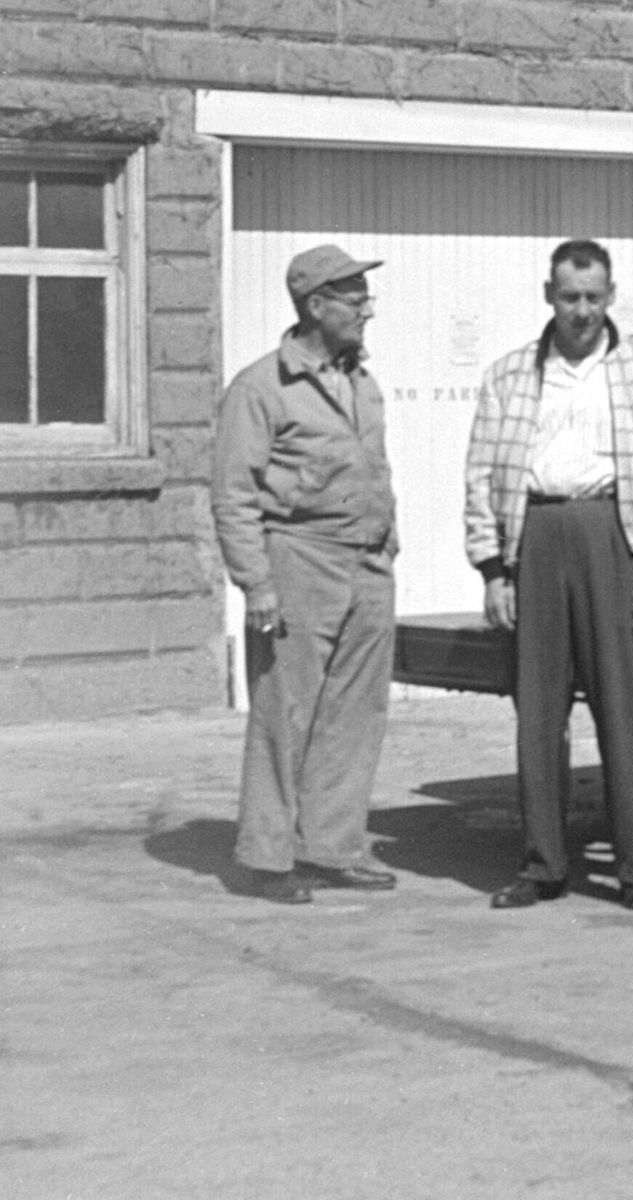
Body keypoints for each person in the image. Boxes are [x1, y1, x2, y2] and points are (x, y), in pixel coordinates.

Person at [465, 238, 633, 913]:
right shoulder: (510, 375)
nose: (582, 312)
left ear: (611, 296)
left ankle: (632, 867)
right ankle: (542, 864)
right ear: (549, 296)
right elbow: (480, 474)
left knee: (619, 709)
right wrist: (492, 568)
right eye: (570, 297)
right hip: (534, 535)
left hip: (611, 535)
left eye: (594, 298)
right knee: (536, 711)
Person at [213, 244, 401, 904]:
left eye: (364, 297)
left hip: (368, 562)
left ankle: (332, 846)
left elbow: (373, 469)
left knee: (355, 712)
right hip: (298, 559)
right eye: (354, 299)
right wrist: (256, 583)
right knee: (283, 712)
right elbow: (234, 493)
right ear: (315, 306)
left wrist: (388, 543)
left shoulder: (362, 381)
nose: (366, 310)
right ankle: (266, 858)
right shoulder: (262, 387)